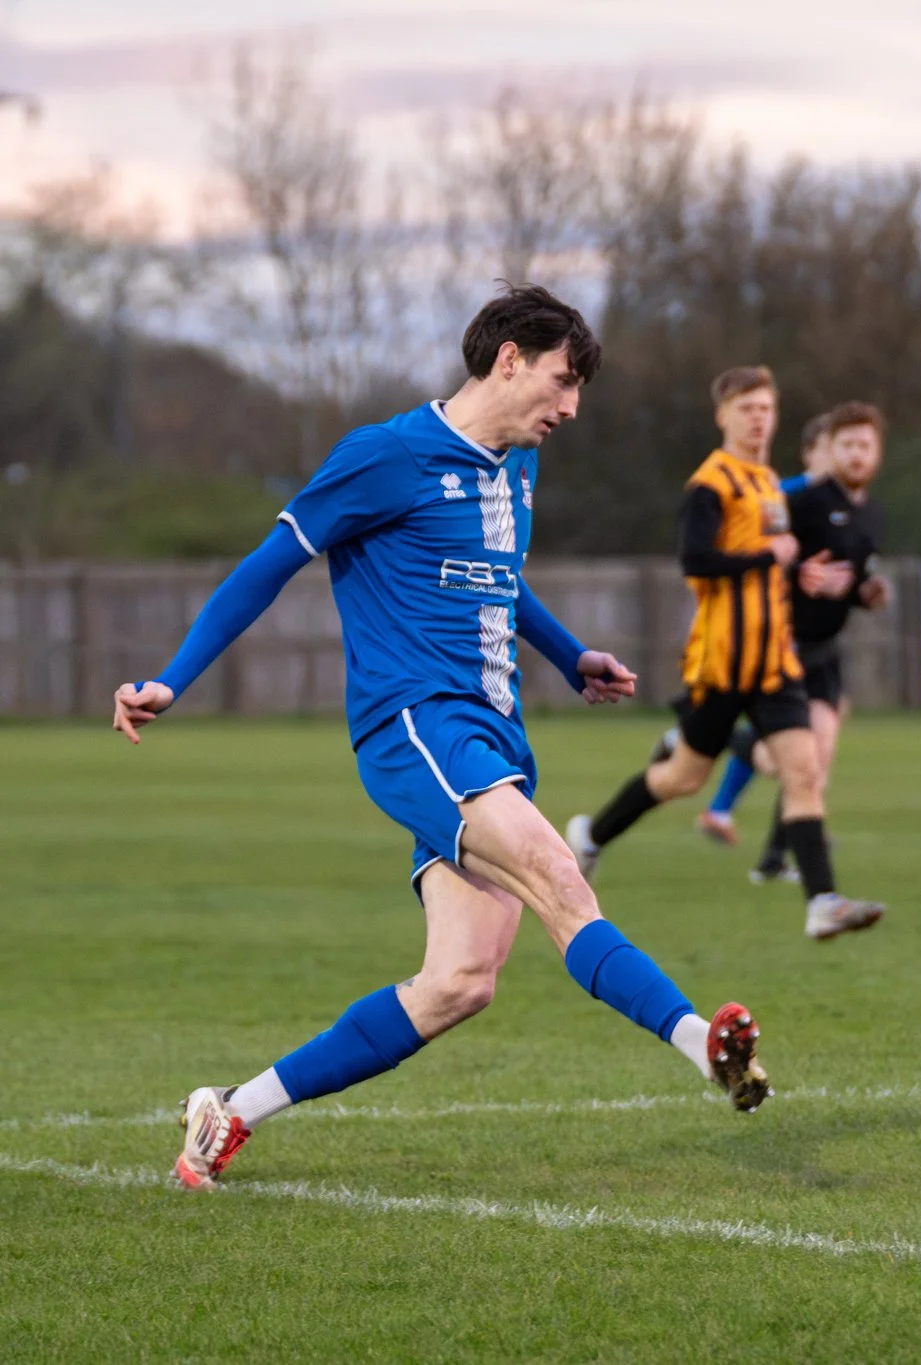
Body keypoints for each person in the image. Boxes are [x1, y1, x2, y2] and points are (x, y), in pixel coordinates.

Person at [113, 285, 772, 1191]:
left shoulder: (517, 464)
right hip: (415, 726)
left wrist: (570, 655)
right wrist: (172, 678)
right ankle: (705, 1045)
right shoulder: (384, 456)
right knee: (560, 876)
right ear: (509, 360)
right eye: (563, 380)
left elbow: (499, 578)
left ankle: (231, 1110)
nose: (572, 406)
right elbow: (268, 565)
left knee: (460, 981)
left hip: (491, 738)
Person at [565, 366, 884, 941]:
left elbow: (776, 559)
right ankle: (591, 836)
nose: (758, 419)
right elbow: (696, 561)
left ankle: (822, 901)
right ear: (723, 416)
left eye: (766, 409)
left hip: (774, 661)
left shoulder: (768, 482)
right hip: (722, 662)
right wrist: (768, 558)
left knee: (804, 770)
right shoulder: (710, 484)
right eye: (747, 409)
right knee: (682, 779)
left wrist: (801, 573)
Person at [752, 401, 891, 882]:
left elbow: (852, 581)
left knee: (813, 764)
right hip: (780, 644)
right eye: (847, 444)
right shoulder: (801, 501)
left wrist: (867, 595)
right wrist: (794, 572)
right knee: (786, 761)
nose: (856, 454)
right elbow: (756, 546)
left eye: (865, 445)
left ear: (878, 452)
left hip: (825, 651)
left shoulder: (871, 514)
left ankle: (775, 859)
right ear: (829, 449)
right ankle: (728, 739)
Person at [694, 412, 835, 848]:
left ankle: (774, 836)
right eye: (831, 447)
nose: (841, 457)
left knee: (800, 744)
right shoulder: (786, 491)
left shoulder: (847, 505)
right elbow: (761, 509)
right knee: (796, 743)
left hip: (819, 641)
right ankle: (785, 846)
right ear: (810, 453)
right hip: (774, 633)